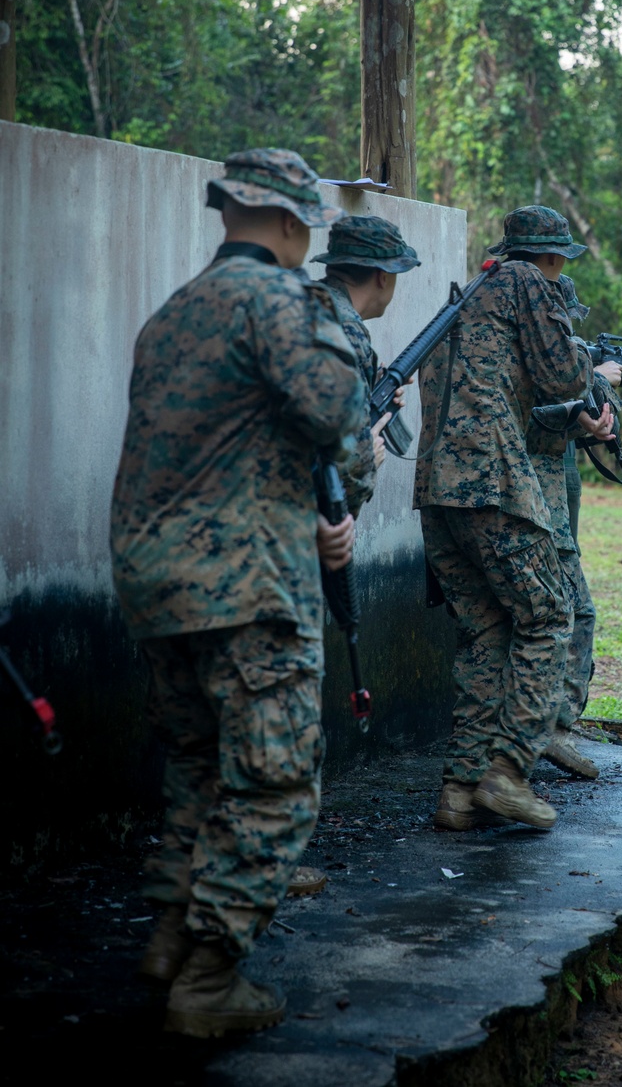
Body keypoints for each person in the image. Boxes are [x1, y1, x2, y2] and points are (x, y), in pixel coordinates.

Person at [111, 148, 365, 1039]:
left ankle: (172, 939)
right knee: (272, 783)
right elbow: (335, 413)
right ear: (295, 226)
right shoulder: (280, 302)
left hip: (156, 585)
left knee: (196, 770)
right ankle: (211, 980)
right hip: (247, 586)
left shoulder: (170, 314)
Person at [415, 206, 594, 832]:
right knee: (548, 615)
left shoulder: (468, 299)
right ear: (550, 259)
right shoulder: (526, 284)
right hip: (490, 484)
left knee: (487, 633)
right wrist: (594, 369)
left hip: (439, 494)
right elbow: (563, 374)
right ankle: (509, 771)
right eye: (559, 263)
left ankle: (461, 791)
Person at [527, 274, 622, 780]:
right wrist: (598, 379)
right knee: (574, 610)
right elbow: (552, 407)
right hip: (537, 500)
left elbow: (592, 420)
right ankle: (554, 730)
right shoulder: (544, 355)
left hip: (544, 495)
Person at [311, 214, 421, 517]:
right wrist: (366, 460)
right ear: (382, 276)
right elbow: (349, 468)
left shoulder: (307, 302)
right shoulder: (347, 328)